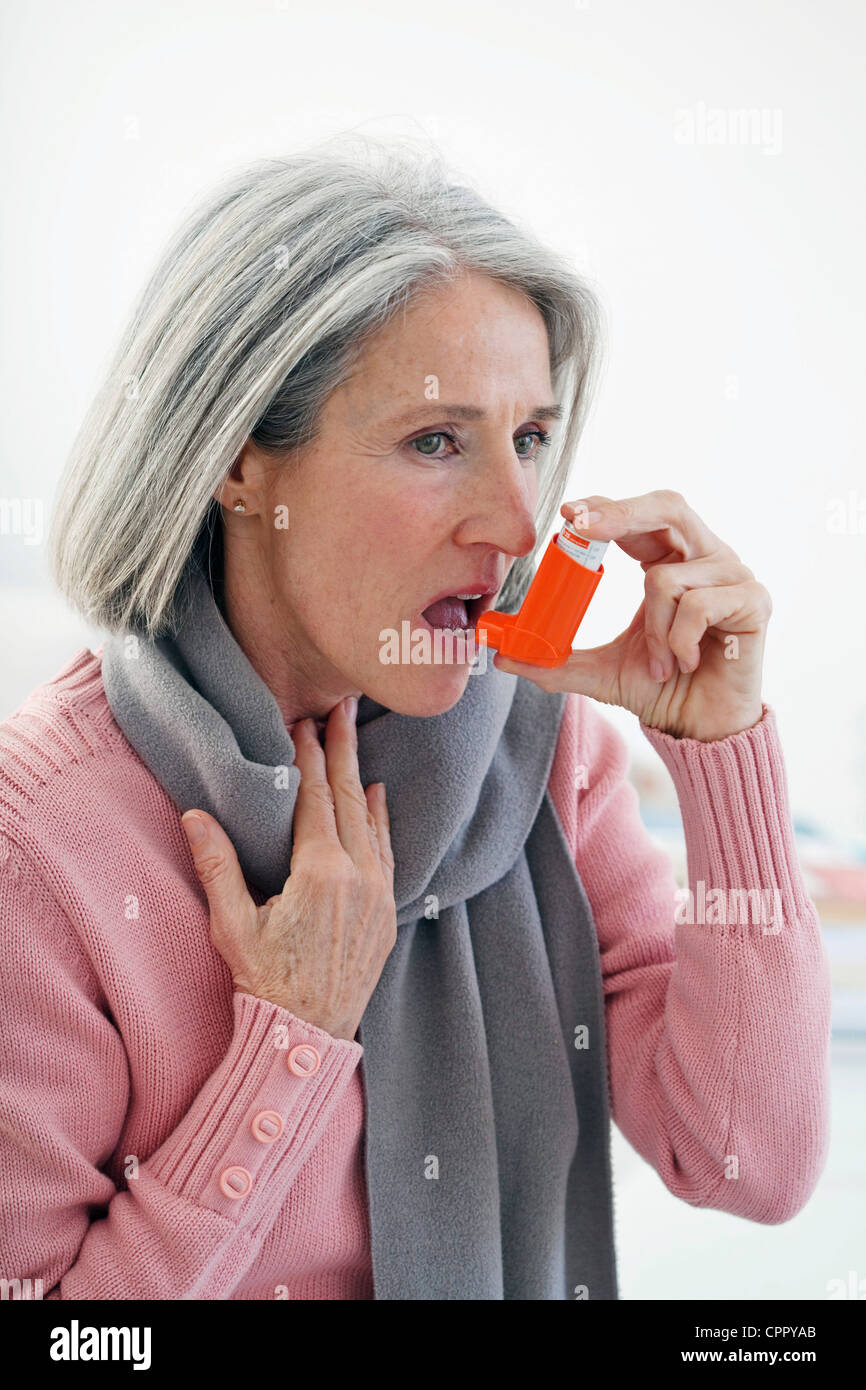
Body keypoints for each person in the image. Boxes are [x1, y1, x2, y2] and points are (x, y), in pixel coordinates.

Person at [0, 136, 830, 1300]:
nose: (514, 521)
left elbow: (746, 1163)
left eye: (529, 437)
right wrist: (288, 1039)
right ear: (239, 462)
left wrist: (717, 751)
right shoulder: (39, 846)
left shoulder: (543, 753)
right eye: (437, 440)